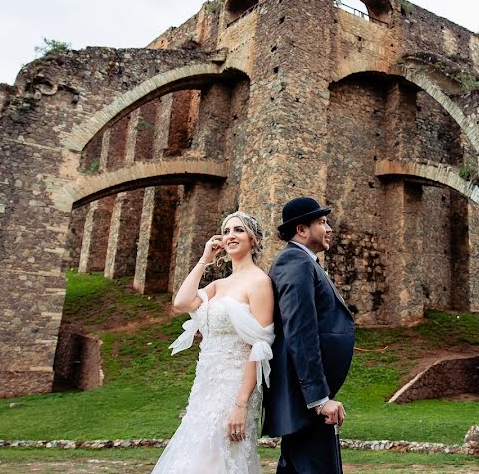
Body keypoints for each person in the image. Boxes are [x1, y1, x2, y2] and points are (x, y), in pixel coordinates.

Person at [152, 211, 274, 474]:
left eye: (239, 230)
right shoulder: (218, 285)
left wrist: (241, 405)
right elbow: (182, 302)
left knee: (217, 458)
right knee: (193, 457)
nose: (231, 236)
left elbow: (260, 347)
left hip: (234, 390)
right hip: (204, 388)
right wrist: (205, 259)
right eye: (227, 231)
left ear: (253, 239)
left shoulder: (260, 282)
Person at [262, 197, 356, 473]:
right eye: (322, 222)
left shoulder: (304, 262)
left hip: (305, 397)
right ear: (302, 230)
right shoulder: (295, 262)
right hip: (304, 399)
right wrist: (319, 399)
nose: (329, 229)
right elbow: (300, 331)